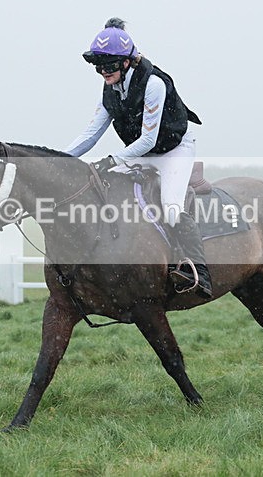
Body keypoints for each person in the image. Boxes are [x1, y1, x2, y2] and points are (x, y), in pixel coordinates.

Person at [64, 17, 212, 298]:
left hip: (173, 151)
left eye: (108, 65)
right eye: (99, 66)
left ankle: (201, 273)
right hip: (145, 153)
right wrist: (57, 158)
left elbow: (148, 139)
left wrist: (112, 159)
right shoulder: (110, 90)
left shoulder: (154, 83)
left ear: (126, 62)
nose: (103, 72)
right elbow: (90, 135)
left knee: (170, 208)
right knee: (105, 184)